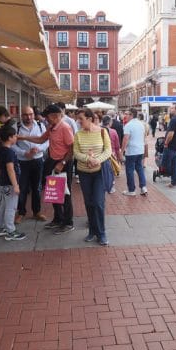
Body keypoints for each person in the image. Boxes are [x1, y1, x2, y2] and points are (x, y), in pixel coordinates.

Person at [19, 104, 75, 234]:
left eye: (47, 117)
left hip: (63, 162)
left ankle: (68, 222)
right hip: (52, 161)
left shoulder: (65, 128)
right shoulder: (52, 127)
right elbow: (40, 139)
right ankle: (58, 218)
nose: (46, 119)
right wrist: (23, 137)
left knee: (65, 194)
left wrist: (63, 162)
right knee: (54, 192)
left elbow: (72, 148)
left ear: (55, 116)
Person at [73, 108, 112, 246]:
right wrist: (87, 159)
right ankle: (92, 231)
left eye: (81, 119)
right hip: (84, 173)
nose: (78, 122)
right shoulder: (78, 134)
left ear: (89, 119)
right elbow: (76, 152)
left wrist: (97, 160)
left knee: (98, 203)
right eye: (78, 119)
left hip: (99, 173)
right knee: (89, 203)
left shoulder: (102, 132)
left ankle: (101, 233)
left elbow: (108, 151)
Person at [13, 106, 48, 223]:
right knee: (22, 188)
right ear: (21, 115)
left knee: (37, 187)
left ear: (34, 114)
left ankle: (36, 211)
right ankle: (21, 212)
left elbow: (47, 141)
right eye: (26, 115)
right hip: (22, 162)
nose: (28, 117)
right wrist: (24, 153)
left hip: (37, 161)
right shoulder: (16, 127)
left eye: (31, 114)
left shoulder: (40, 126)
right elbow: (12, 144)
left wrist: (39, 149)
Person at [0, 127, 24, 241]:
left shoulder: (1, 150)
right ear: (10, 138)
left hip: (3, 183)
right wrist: (15, 185)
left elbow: (0, 168)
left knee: (4, 205)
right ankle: (11, 231)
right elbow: (10, 169)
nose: (16, 137)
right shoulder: (9, 152)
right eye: (15, 136)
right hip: (10, 184)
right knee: (11, 207)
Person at [121, 108, 148, 196]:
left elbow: (125, 139)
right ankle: (143, 187)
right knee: (139, 168)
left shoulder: (128, 125)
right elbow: (144, 136)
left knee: (130, 170)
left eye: (127, 114)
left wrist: (121, 152)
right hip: (140, 150)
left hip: (132, 150)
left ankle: (131, 190)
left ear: (131, 115)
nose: (125, 115)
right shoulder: (141, 124)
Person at [162, 103, 176, 187]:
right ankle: (174, 181)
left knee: (165, 165)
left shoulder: (174, 120)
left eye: (172, 108)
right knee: (175, 164)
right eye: (170, 108)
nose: (170, 110)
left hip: (171, 147)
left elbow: (171, 134)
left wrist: (166, 143)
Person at [101, 115, 120, 194]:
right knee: (111, 171)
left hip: (102, 153)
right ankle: (110, 186)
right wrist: (118, 156)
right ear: (109, 122)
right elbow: (117, 145)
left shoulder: (100, 130)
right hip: (112, 153)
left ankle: (104, 185)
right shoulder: (113, 131)